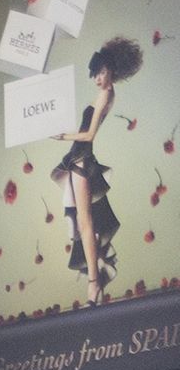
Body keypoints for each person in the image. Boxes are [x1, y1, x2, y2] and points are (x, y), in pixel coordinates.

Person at [54, 37, 143, 300]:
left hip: (82, 160)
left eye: (102, 72)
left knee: (85, 224)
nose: (97, 78)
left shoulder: (106, 94)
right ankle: (94, 280)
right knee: (85, 223)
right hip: (79, 161)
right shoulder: (104, 92)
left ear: (112, 71)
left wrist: (64, 136)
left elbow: (89, 134)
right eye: (96, 73)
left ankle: (93, 282)